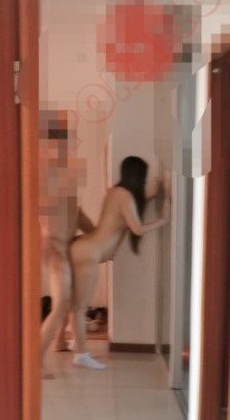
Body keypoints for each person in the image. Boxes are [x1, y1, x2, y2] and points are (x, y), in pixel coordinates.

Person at [70, 156, 170, 370]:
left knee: (75, 304)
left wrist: (154, 194)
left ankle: (76, 344)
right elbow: (137, 228)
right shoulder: (124, 195)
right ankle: (81, 354)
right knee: (79, 307)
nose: (145, 182)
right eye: (144, 178)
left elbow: (128, 211)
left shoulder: (115, 192)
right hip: (88, 253)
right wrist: (161, 220)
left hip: (84, 247)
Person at [39, 126, 95, 379]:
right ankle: (36, 361)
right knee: (62, 302)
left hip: (64, 246)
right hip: (54, 248)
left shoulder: (64, 176)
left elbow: (77, 214)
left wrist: (96, 236)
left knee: (68, 298)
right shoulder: (44, 175)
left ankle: (60, 341)